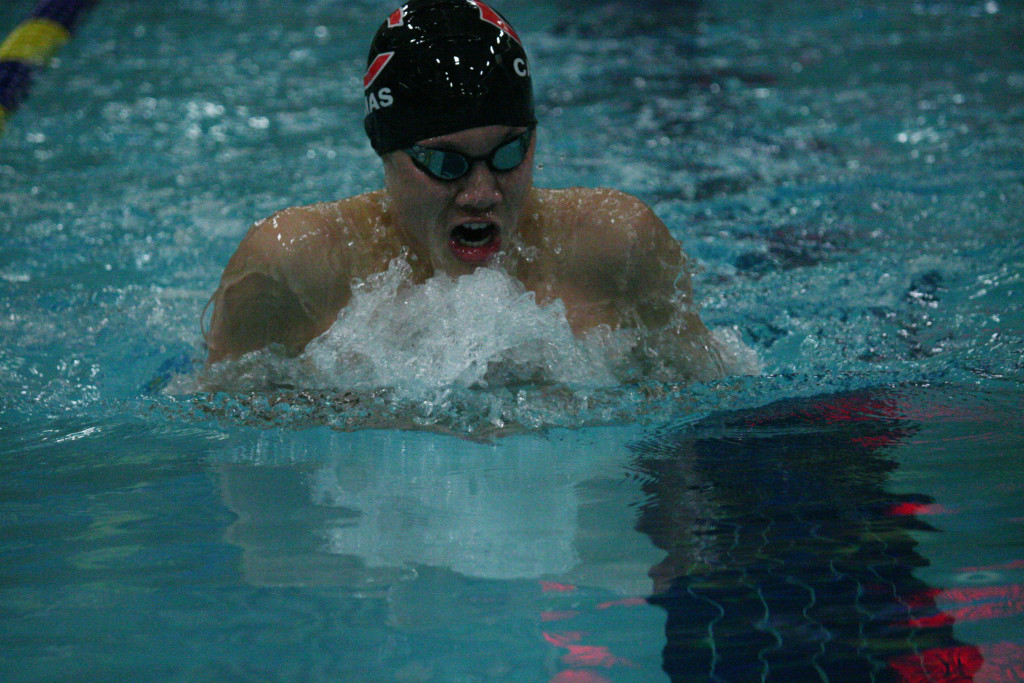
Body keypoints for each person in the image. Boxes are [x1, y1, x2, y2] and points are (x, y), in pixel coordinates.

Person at [205, 0, 725, 380]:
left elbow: (706, 405)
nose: (481, 192)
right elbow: (220, 434)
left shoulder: (618, 247)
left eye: (508, 154)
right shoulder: (291, 271)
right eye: (444, 163)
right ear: (386, 152)